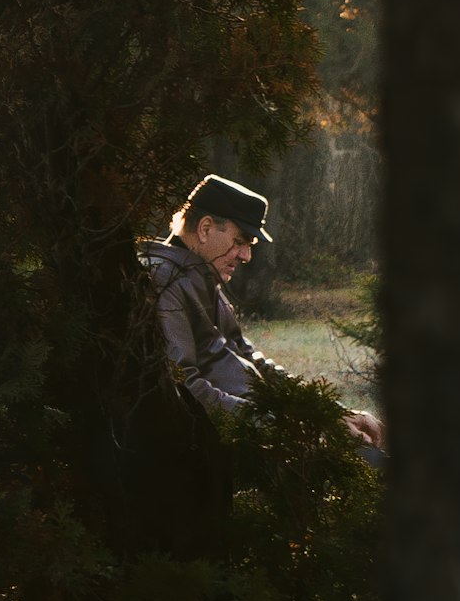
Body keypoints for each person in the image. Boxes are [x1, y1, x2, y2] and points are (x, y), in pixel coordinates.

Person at [140, 173, 385, 456]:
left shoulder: (201, 277)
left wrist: (330, 413)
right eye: (240, 241)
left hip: (264, 435)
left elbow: (251, 360)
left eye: (250, 245)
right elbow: (185, 390)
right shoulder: (162, 280)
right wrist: (297, 427)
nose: (246, 256)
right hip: (235, 450)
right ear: (205, 228)